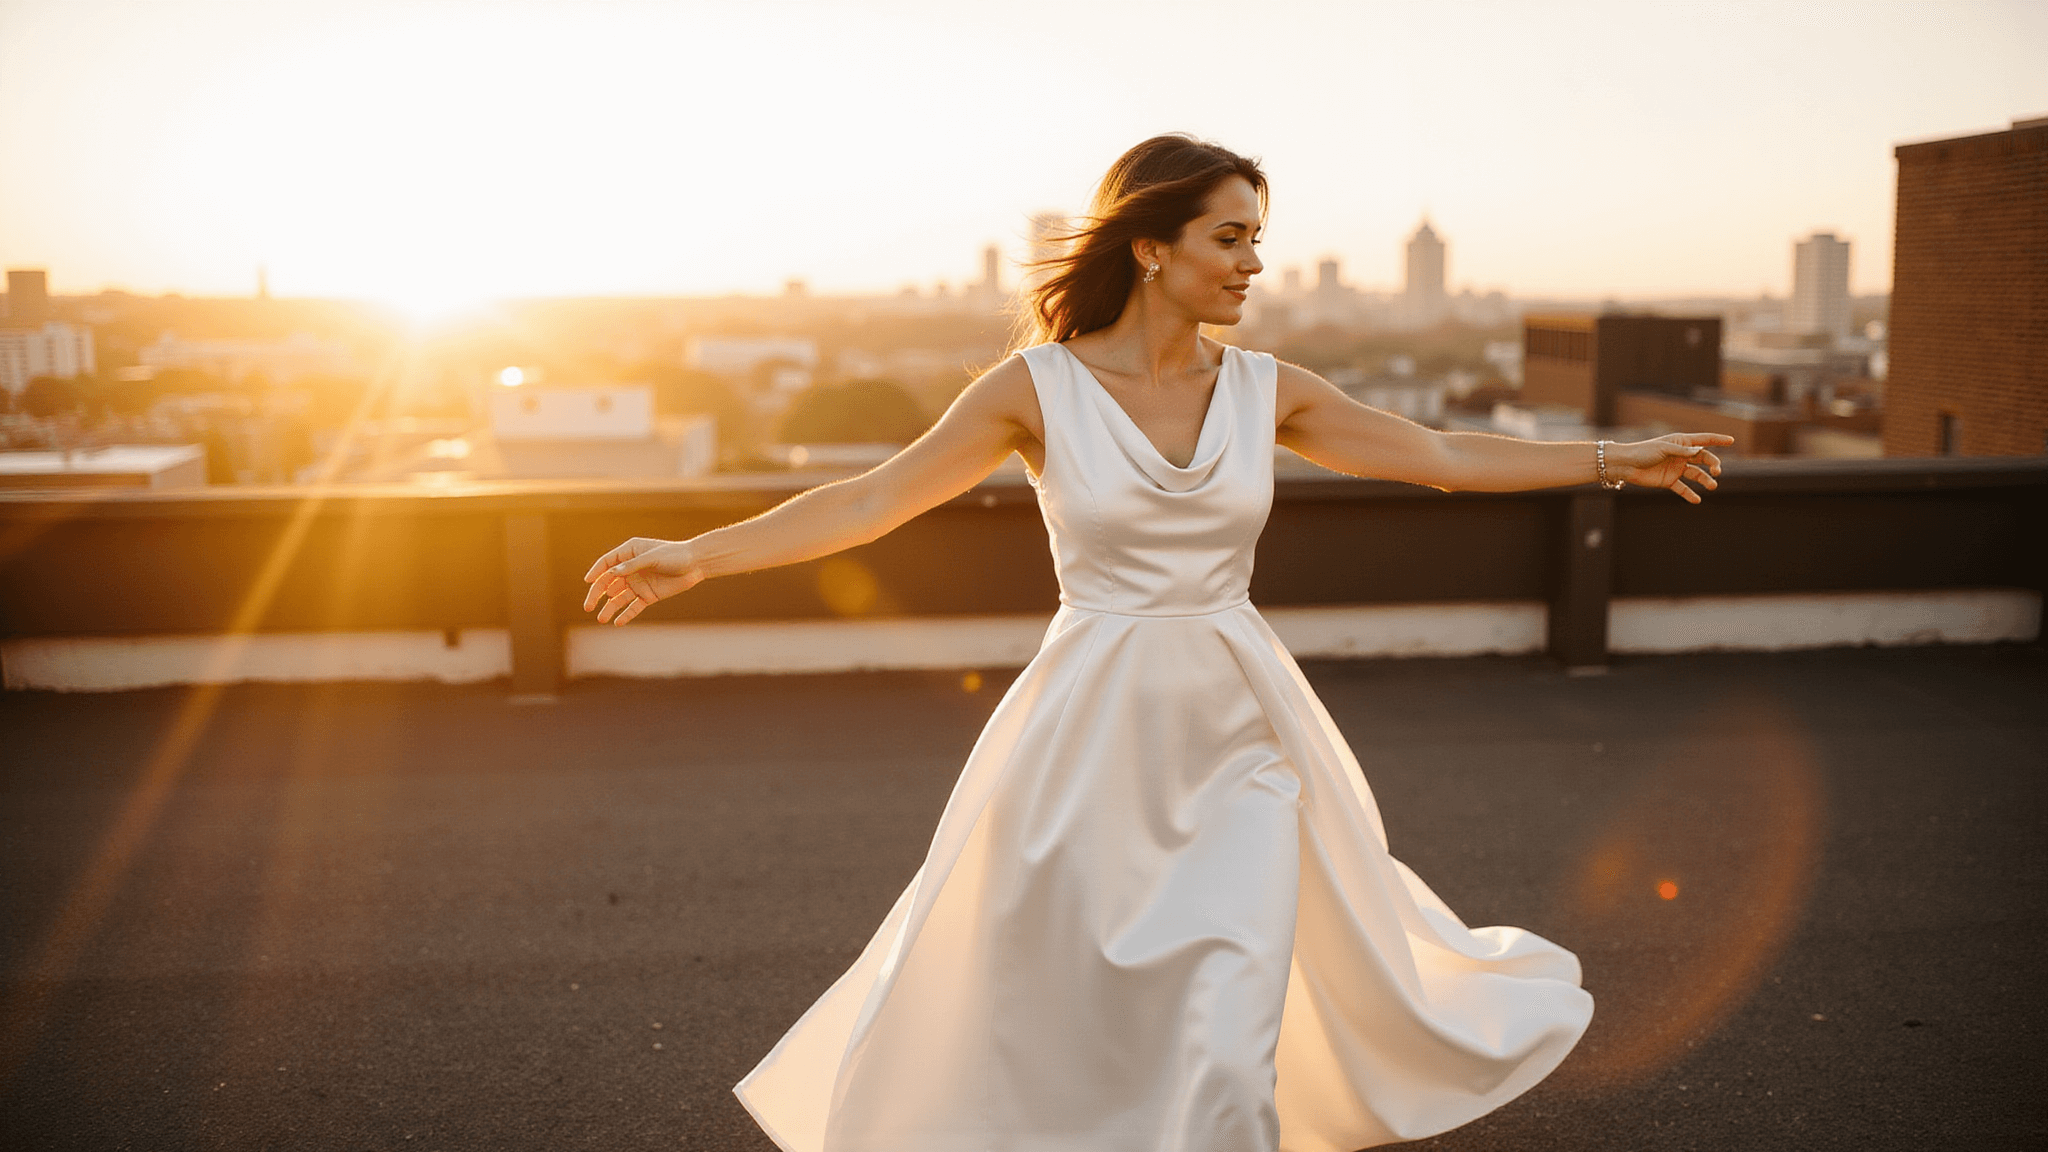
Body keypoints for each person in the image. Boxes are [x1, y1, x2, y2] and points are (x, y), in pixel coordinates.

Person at [582, 135, 1732, 1152]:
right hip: (1089, 721)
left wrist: (1604, 459)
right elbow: (867, 502)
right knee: (1073, 979)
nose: (1251, 263)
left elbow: (1432, 453)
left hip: (1238, 718)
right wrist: (700, 554)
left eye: (1258, 240)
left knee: (1229, 997)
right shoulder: (1030, 390)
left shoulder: (1268, 389)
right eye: (1228, 237)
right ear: (1149, 247)